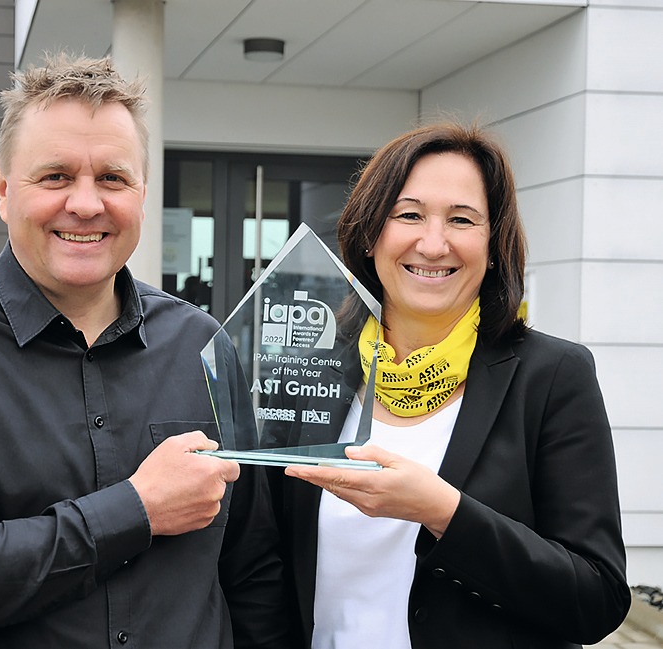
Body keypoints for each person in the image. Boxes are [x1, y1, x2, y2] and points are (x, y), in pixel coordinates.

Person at [0, 54, 290, 649]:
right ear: (5, 191)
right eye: (55, 176)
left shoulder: (201, 344)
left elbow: (254, 572)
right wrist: (136, 509)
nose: (86, 205)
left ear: (141, 193)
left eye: (112, 178)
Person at [264, 121, 631, 648]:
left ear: (492, 240)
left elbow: (596, 598)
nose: (433, 245)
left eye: (462, 219)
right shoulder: (310, 371)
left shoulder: (551, 377)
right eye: (408, 215)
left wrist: (442, 511)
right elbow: (263, 569)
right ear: (371, 234)